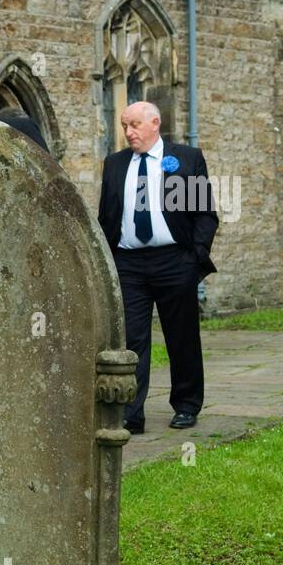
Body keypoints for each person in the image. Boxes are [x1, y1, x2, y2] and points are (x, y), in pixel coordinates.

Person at [97, 101, 217, 433]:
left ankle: (186, 405)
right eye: (124, 126)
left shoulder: (183, 159)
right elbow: (106, 217)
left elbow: (205, 214)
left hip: (175, 262)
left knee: (182, 337)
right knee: (132, 340)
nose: (128, 132)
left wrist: (193, 259)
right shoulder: (116, 164)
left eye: (134, 125)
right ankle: (131, 414)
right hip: (129, 265)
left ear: (155, 123)